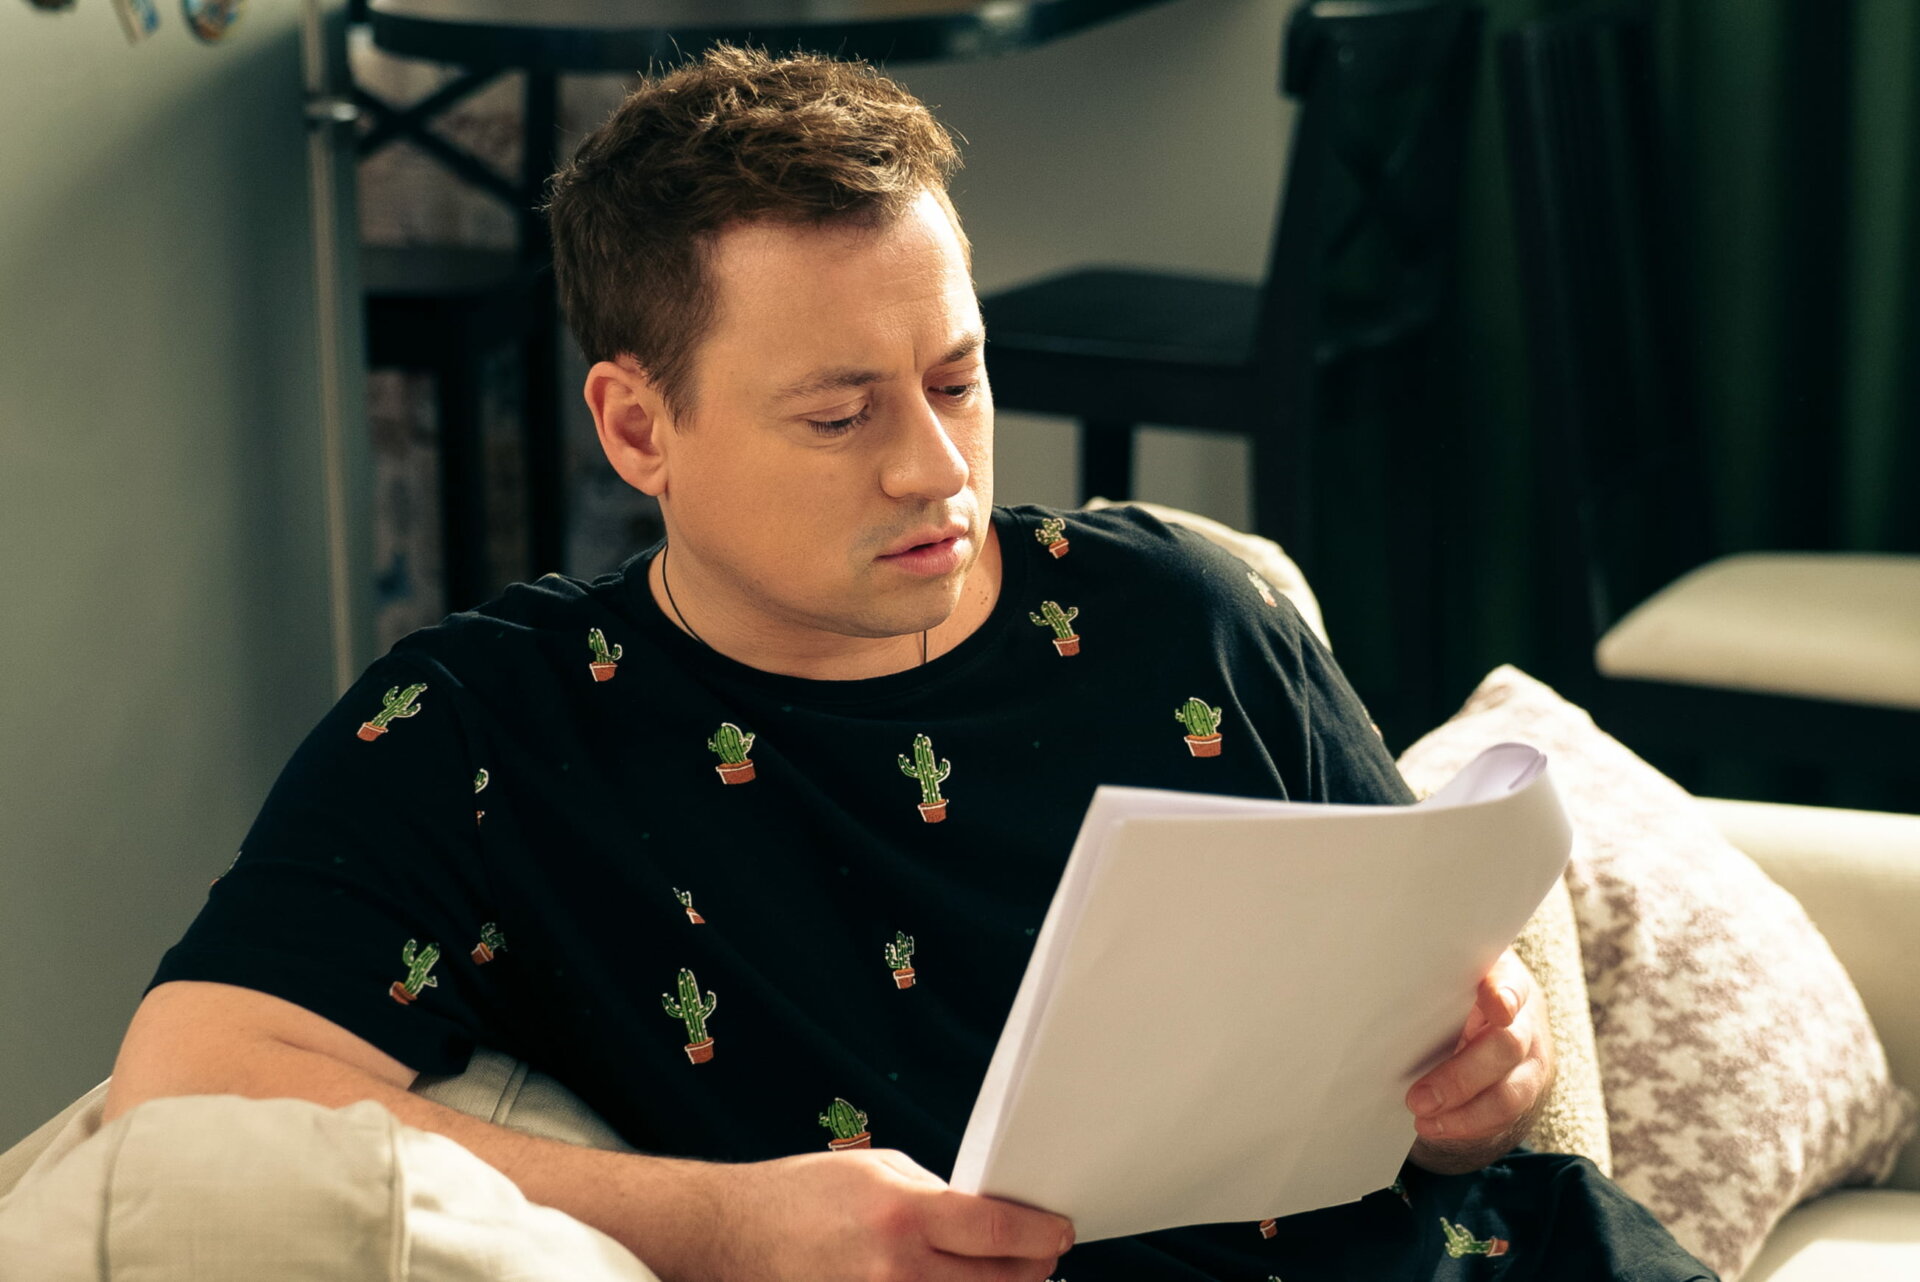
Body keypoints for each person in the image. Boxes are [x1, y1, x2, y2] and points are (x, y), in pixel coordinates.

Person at [102, 45, 1714, 1282]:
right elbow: (187, 1083)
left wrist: (1487, 1079)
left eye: (956, 380)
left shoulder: (1184, 612)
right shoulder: (490, 731)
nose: (937, 470)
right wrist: (730, 1225)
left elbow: (1443, 1054)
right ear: (638, 427)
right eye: (840, 413)